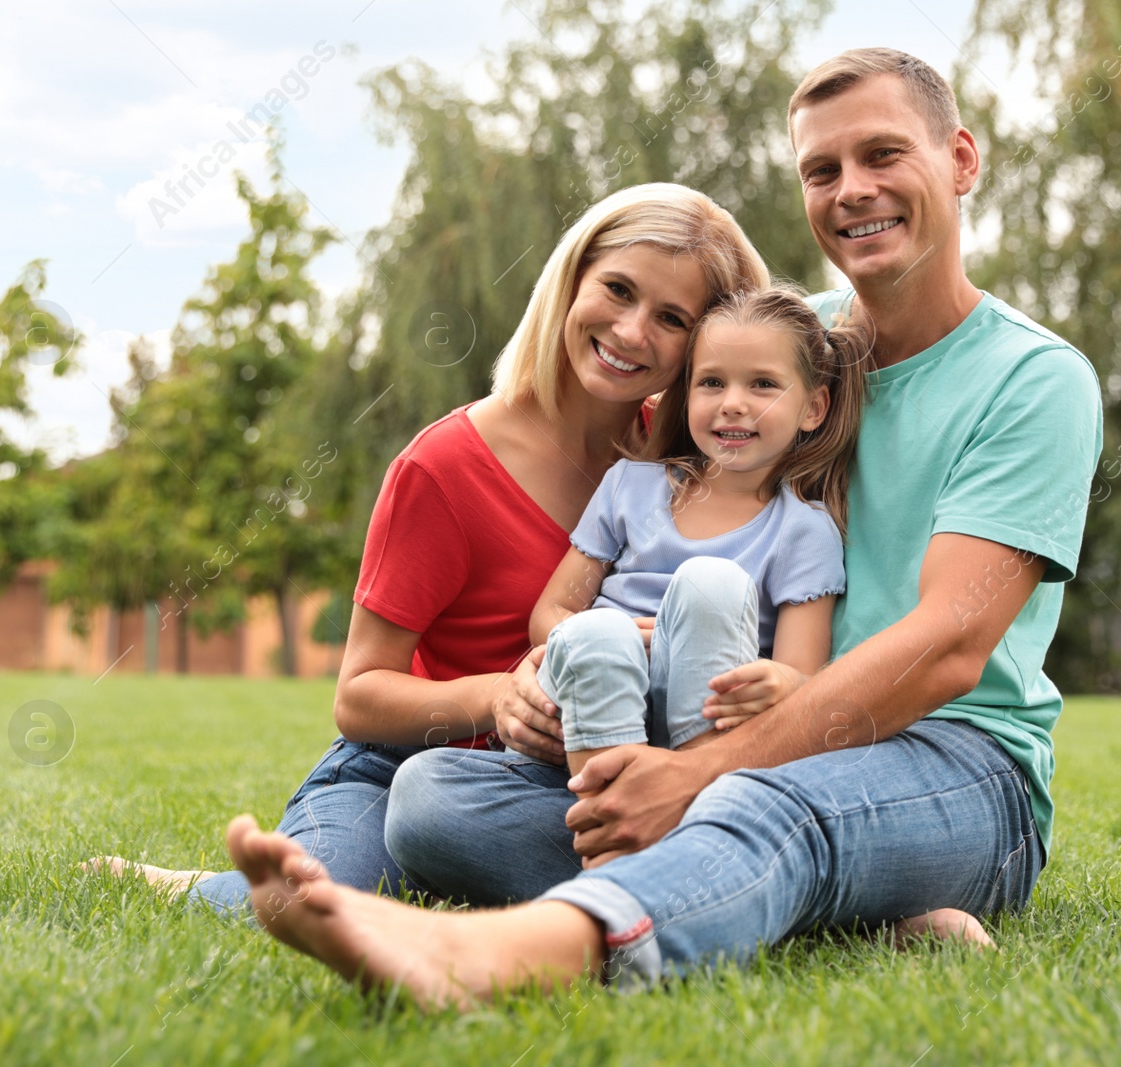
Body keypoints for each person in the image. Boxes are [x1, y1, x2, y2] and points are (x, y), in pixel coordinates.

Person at [225, 46, 1105, 1008]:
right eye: (822, 170)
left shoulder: (1034, 381)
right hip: (744, 733)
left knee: (753, 803)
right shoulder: (772, 349)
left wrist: (696, 773)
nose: (853, 191)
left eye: (884, 155)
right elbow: (643, 462)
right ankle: (841, 912)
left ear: (962, 162)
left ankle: (490, 957)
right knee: (435, 801)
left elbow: (947, 648)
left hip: (953, 764)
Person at [85, 183, 770, 909]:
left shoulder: (696, 456)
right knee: (312, 905)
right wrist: (497, 696)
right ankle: (193, 889)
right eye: (618, 290)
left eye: (671, 318)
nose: (632, 331)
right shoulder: (443, 467)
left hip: (561, 780)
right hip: (406, 765)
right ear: (572, 281)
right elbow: (359, 694)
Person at [532, 288, 867, 779]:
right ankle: (606, 812)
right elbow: (551, 611)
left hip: (713, 740)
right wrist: (613, 638)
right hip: (592, 712)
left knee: (711, 585)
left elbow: (803, 677)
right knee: (425, 789)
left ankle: (682, 795)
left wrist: (781, 681)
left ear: (813, 409)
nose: (732, 404)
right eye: (712, 382)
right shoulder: (631, 486)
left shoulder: (803, 530)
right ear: (686, 394)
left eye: (762, 385)